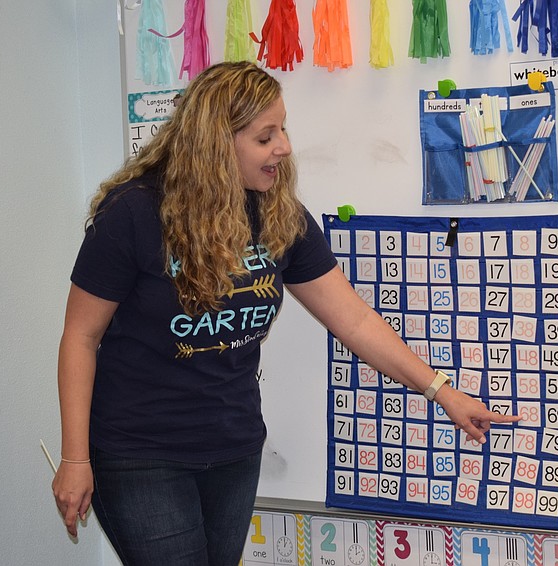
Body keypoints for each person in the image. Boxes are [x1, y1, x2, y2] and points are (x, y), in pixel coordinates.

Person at [52, 61, 520, 566]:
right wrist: (76, 457)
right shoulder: (134, 214)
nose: (284, 146)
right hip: (141, 453)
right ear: (216, 144)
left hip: (233, 448)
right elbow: (81, 336)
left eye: (283, 129)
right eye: (265, 136)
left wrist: (441, 391)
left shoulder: (277, 214)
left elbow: (355, 321)